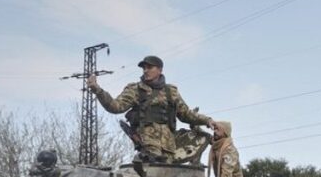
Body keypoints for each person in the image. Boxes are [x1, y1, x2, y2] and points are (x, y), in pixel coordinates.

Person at [87, 55, 226, 162]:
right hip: (148, 147)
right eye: (144, 68)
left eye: (149, 67)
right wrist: (98, 90)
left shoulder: (171, 92)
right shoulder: (135, 89)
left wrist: (207, 121)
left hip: (169, 147)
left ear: (159, 70)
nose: (146, 70)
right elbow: (115, 107)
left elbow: (186, 114)